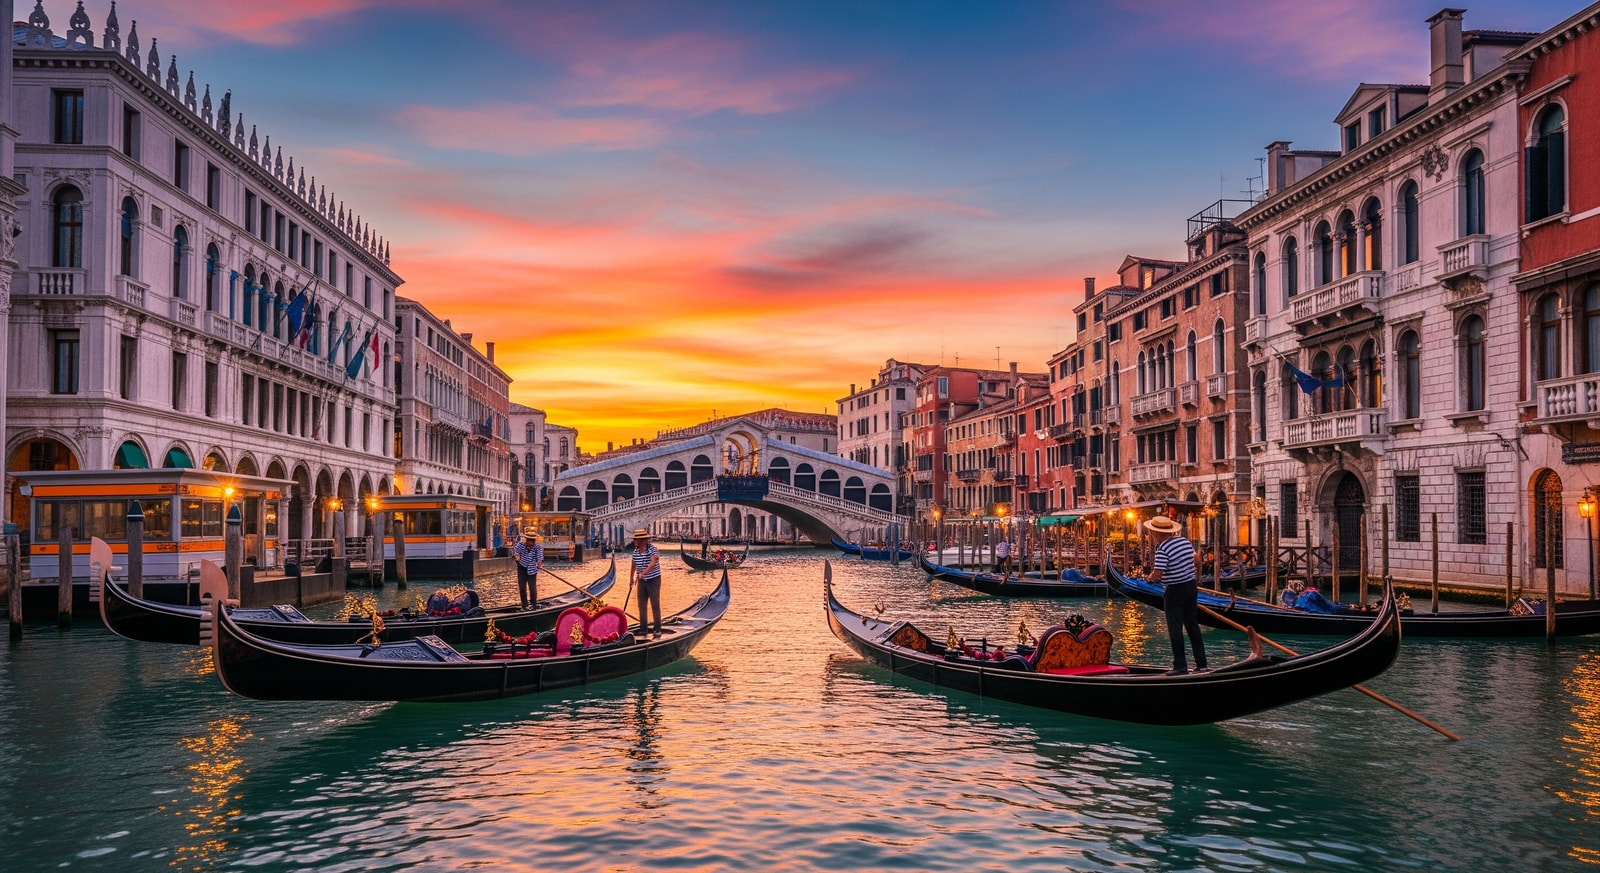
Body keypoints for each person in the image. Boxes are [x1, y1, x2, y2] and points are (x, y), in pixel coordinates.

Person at [1144, 516, 1208, 675]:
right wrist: (1183, 569)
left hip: (1174, 591)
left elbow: (1158, 574)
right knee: (1192, 626)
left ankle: (1180, 666)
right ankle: (1202, 664)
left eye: (1152, 531)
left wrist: (1149, 579)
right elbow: (1197, 560)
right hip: (1191, 586)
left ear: (1156, 533)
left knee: (1175, 628)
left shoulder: (1163, 548)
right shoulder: (1184, 542)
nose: (1151, 534)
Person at [630, 528, 663, 638]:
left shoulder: (653, 550)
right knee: (641, 604)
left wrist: (642, 573)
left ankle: (657, 628)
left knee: (655, 604)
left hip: (654, 580)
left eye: (636, 540)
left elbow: (653, 564)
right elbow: (633, 565)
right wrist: (631, 578)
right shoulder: (635, 552)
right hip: (642, 581)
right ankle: (643, 628)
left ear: (642, 540)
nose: (634, 541)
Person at [513, 530, 544, 609]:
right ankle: (524, 605)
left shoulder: (538, 547)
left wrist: (539, 563)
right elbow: (516, 552)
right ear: (526, 539)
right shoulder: (521, 545)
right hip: (521, 568)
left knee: (532, 588)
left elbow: (540, 557)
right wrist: (517, 556)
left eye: (531, 540)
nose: (529, 542)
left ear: (533, 541)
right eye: (528, 540)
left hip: (532, 569)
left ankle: (533, 604)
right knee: (522, 588)